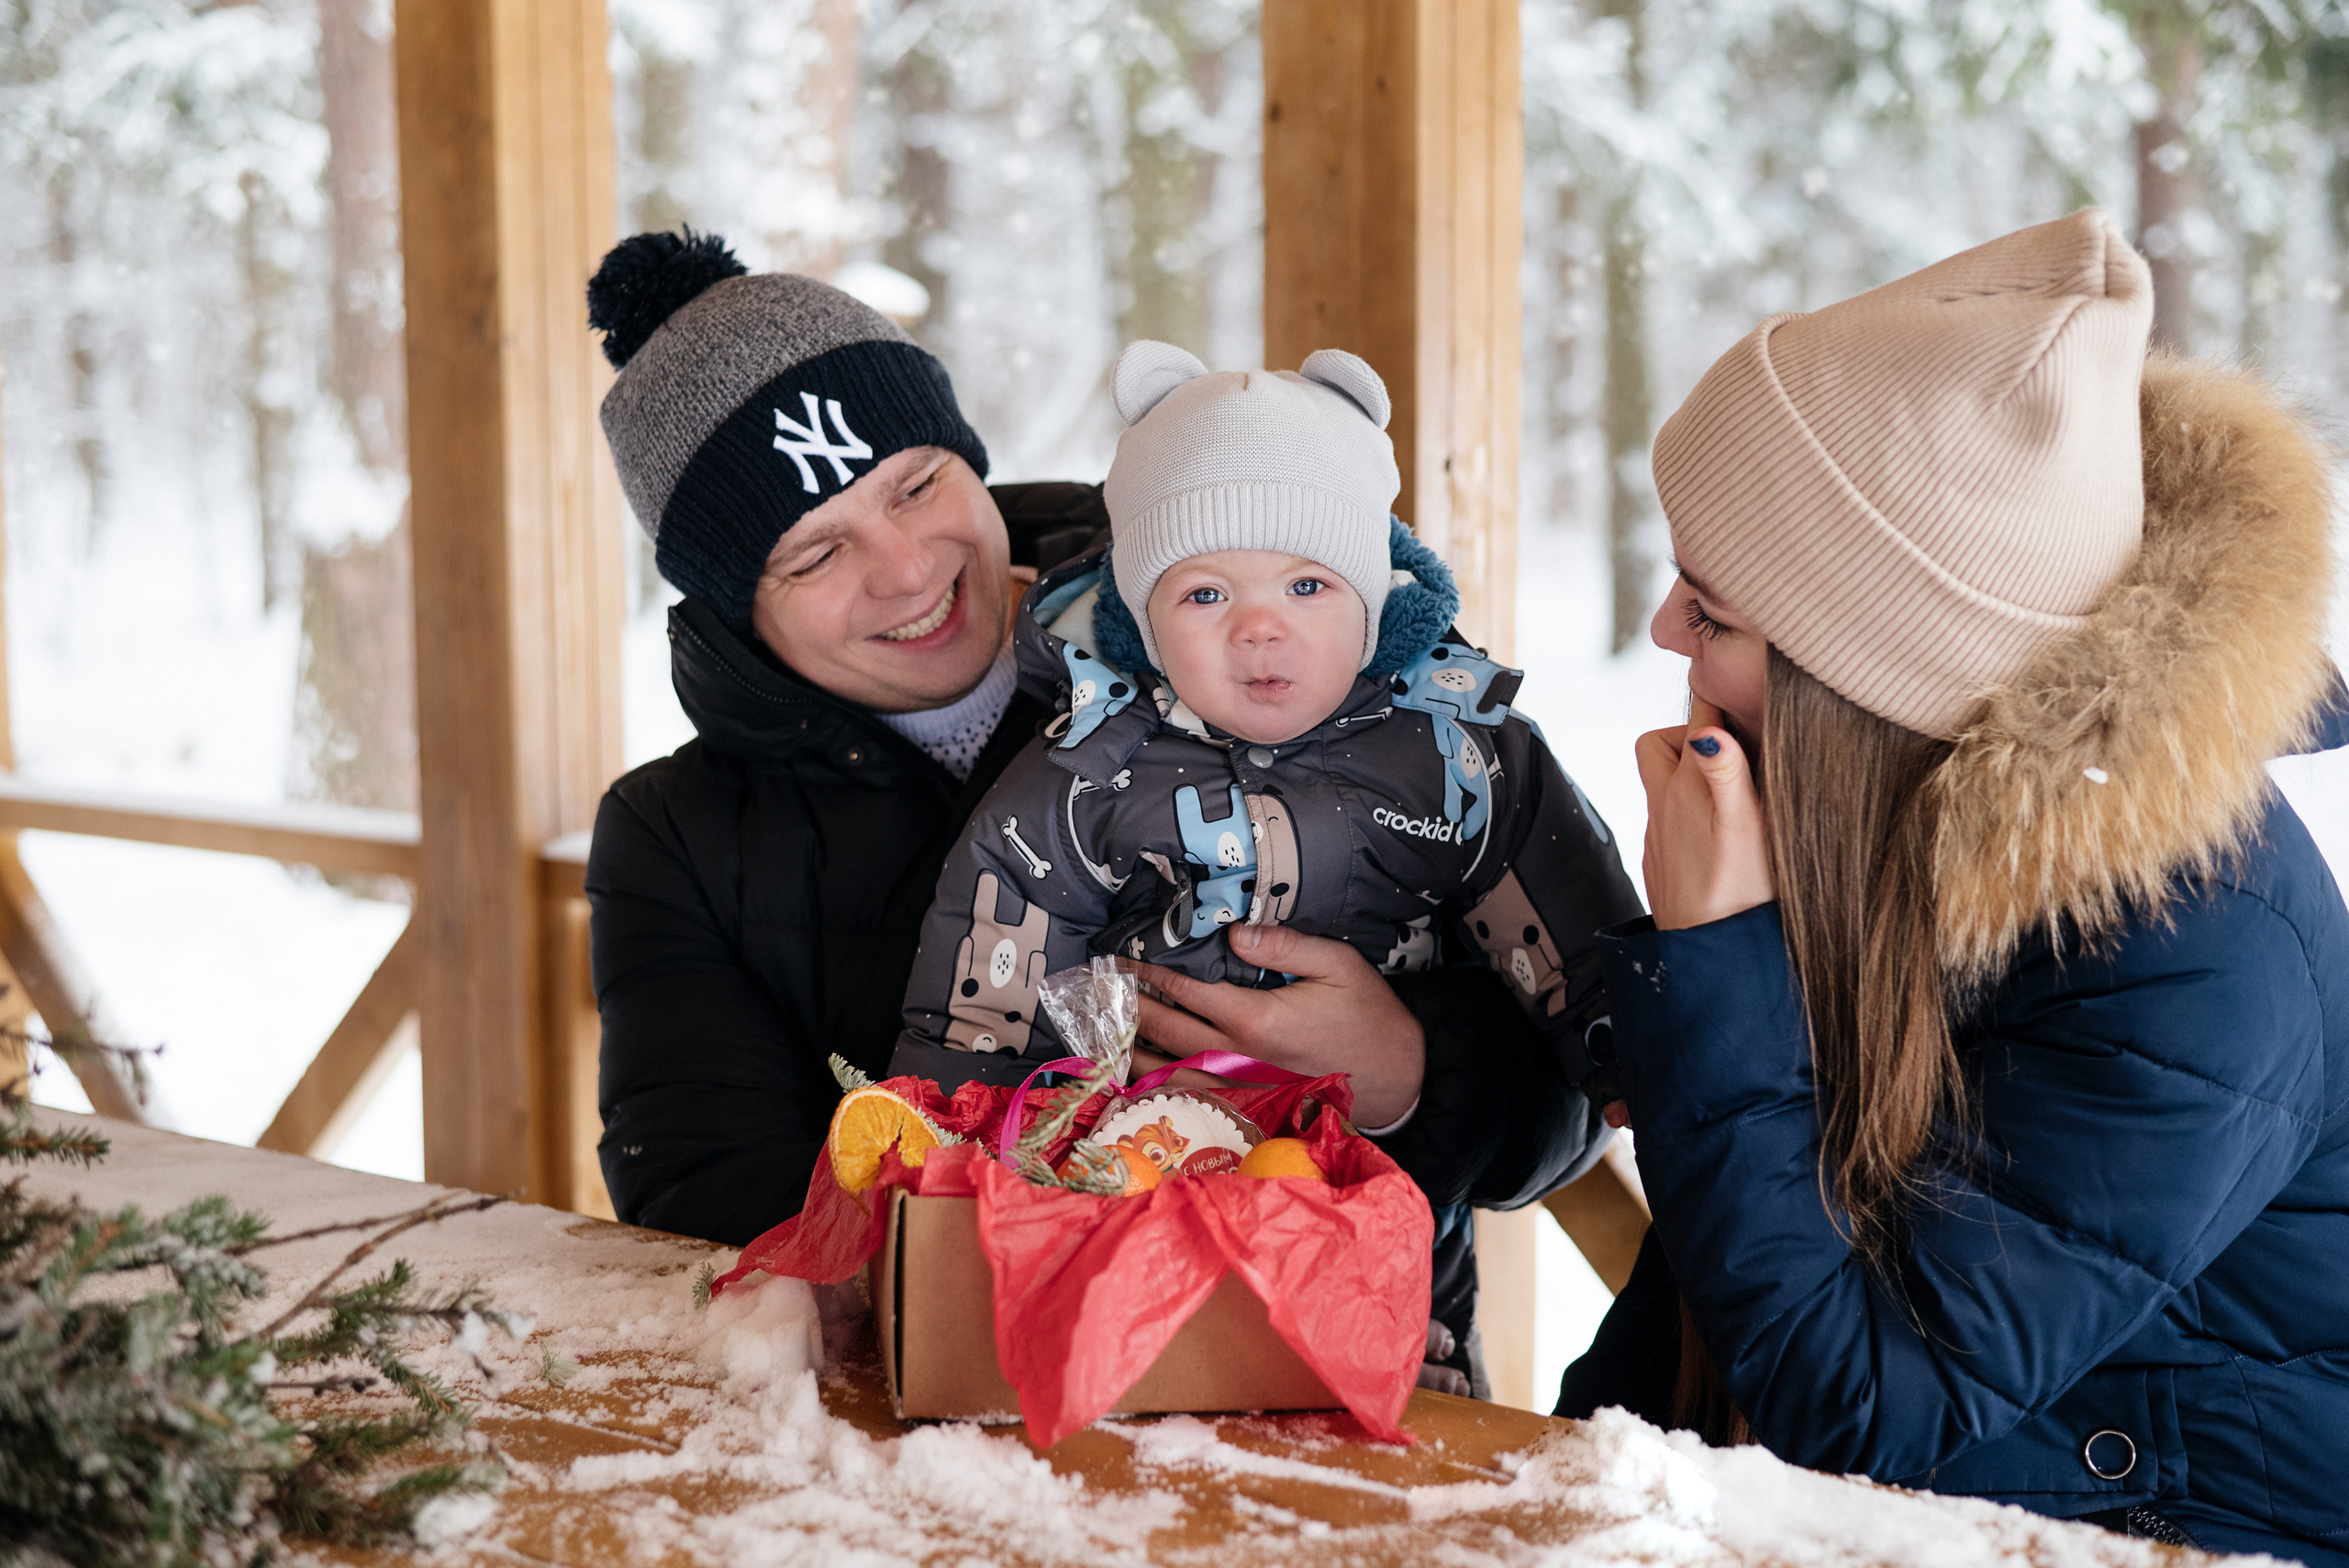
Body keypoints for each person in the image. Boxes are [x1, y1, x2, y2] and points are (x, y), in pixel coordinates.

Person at [582, 233, 1598, 1390]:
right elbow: (708, 1199)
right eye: (817, 552)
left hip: (1345, 1365)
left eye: (918, 485)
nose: (908, 568)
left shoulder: (1273, 629)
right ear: (733, 608)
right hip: (957, 1398)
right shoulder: (676, 838)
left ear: (969, 454)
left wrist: (1410, 1069)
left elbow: (1574, 1086)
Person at [1555, 209, 2349, 1564]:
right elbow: (1722, 1113)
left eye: (1716, 609)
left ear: (1871, 678)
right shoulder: (1881, 799)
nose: (1662, 634)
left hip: (2175, 1525)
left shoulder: (2199, 957)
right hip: (1940, 1480)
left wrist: (1720, 948)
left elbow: (1865, 1401)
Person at [891, 343, 1642, 1360]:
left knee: (1369, 1423)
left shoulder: (1455, 754)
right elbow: (994, 951)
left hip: (1375, 1198)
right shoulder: (1085, 769)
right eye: (1203, 595)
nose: (1258, 630)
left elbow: (1560, 903)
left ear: (1377, 598)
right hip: (1141, 1175)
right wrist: (939, 1141)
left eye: (1306, 586)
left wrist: (1627, 1043)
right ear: (1143, 620)